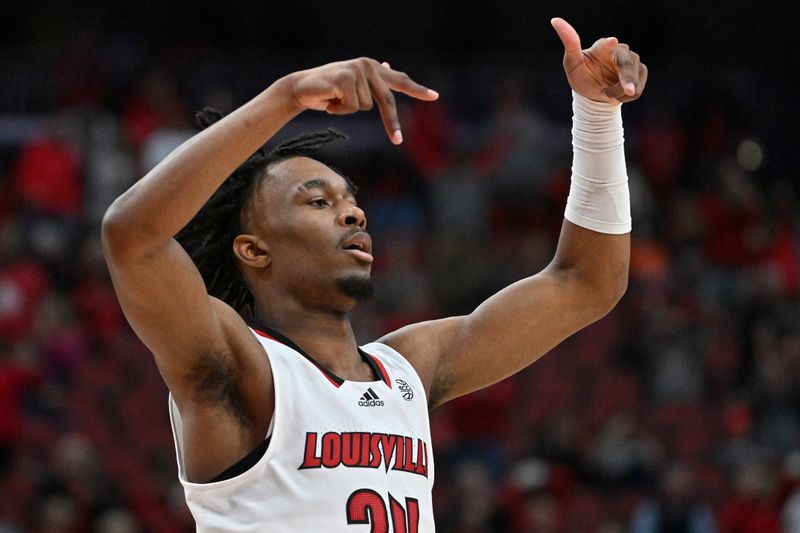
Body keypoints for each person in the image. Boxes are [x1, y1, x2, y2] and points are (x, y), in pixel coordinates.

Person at [101, 17, 647, 532]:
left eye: (350, 200)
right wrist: (287, 96)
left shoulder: (408, 369)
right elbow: (132, 238)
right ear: (254, 249)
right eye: (317, 201)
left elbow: (586, 283)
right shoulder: (240, 367)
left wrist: (597, 114)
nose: (353, 212)